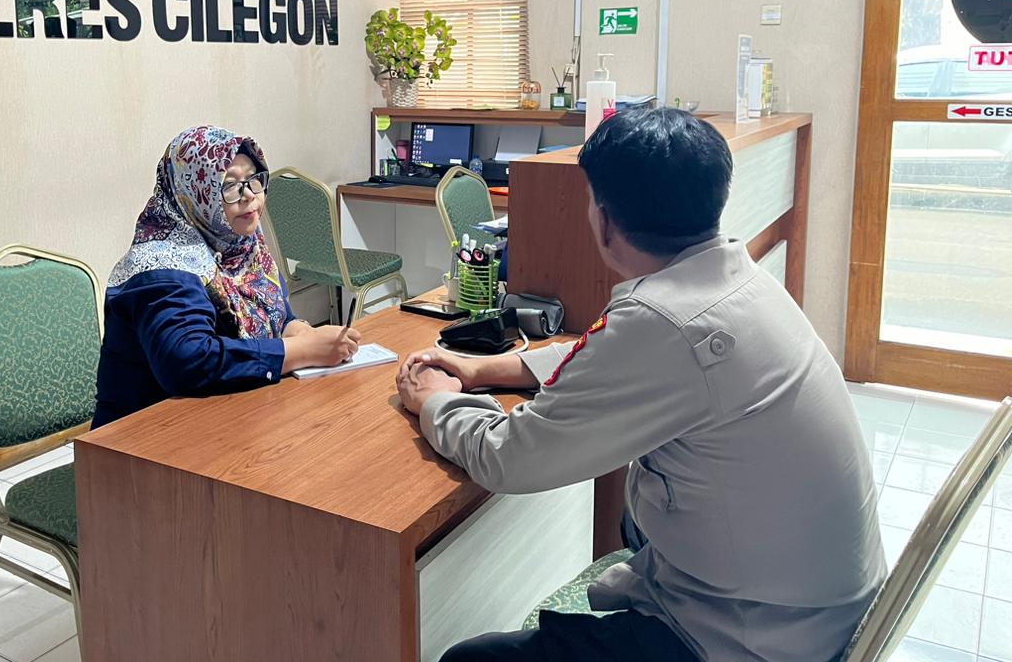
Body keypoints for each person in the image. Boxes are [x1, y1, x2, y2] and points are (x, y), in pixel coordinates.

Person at [396, 107, 885, 662]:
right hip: (822, 614)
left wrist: (436, 400)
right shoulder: (736, 279)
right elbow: (614, 363)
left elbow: (510, 459)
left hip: (751, 640)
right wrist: (485, 369)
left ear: (603, 221)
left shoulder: (661, 321)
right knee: (633, 520)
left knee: (472, 659)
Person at [93, 125, 360, 428]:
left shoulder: (241, 242)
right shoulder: (162, 266)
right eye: (229, 186)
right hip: (142, 437)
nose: (249, 196)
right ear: (194, 191)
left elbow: (275, 314)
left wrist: (300, 331)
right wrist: (300, 351)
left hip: (228, 418)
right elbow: (188, 361)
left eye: (254, 180)